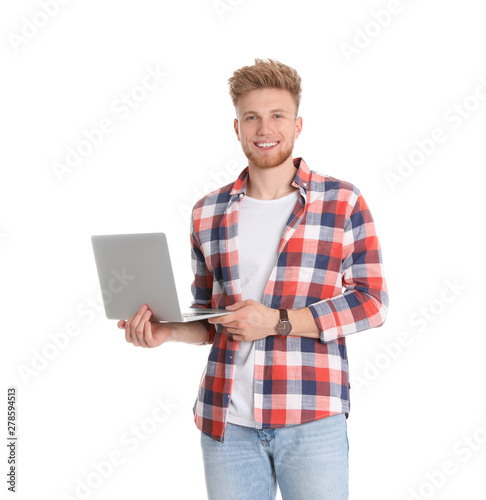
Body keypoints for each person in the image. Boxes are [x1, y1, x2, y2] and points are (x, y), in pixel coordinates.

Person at [118, 58, 389, 500]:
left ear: (298, 125)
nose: (265, 128)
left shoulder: (342, 201)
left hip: (312, 417)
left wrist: (279, 321)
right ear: (237, 128)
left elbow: (372, 302)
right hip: (226, 423)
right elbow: (211, 318)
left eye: (277, 115)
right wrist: (165, 331)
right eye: (252, 117)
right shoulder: (207, 211)